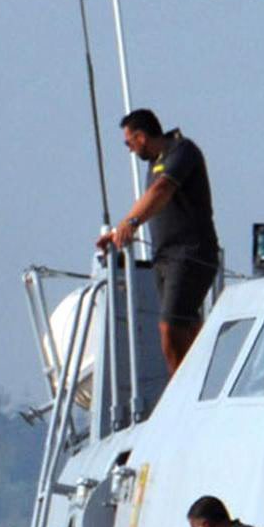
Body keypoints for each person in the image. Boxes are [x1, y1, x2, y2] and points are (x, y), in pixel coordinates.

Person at [96, 109, 219, 372]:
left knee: (170, 327)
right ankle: (202, 383)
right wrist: (120, 229)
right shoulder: (155, 164)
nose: (129, 150)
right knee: (188, 327)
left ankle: (180, 395)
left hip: (189, 254)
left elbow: (161, 190)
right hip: (164, 259)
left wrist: (129, 224)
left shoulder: (181, 151)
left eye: (129, 143)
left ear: (141, 137)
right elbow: (150, 198)